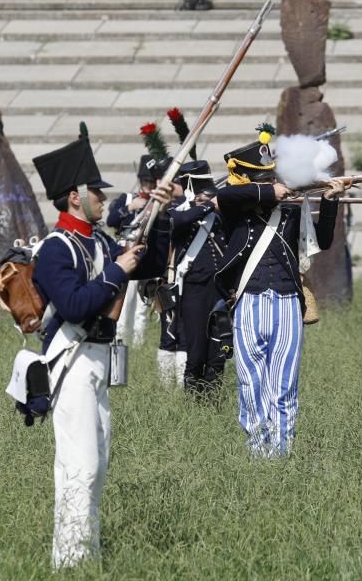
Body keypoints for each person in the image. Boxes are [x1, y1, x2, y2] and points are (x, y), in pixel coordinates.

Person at [30, 133, 172, 569]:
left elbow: (150, 260)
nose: (101, 196)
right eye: (94, 191)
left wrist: (161, 211)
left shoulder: (97, 240)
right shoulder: (55, 249)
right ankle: (69, 561)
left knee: (98, 466)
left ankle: (85, 556)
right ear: (74, 197)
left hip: (97, 362)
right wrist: (115, 270)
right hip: (70, 361)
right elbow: (73, 305)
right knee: (81, 465)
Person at [214, 129, 345, 457]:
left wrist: (331, 199)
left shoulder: (289, 207)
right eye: (263, 177)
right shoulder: (236, 207)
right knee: (250, 384)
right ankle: (258, 452)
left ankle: (281, 453)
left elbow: (324, 240)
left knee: (284, 387)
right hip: (248, 300)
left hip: (288, 301)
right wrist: (270, 191)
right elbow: (225, 198)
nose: (273, 179)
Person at [167, 160, 228, 397]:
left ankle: (212, 402)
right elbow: (179, 222)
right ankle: (194, 404)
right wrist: (207, 206)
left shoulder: (221, 211)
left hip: (220, 289)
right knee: (196, 353)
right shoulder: (179, 211)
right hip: (193, 290)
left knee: (219, 351)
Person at [105, 154, 167, 345]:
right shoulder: (127, 199)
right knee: (124, 305)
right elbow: (111, 220)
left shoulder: (159, 202)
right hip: (126, 256)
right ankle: (121, 340)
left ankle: (138, 343)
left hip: (147, 257)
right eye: (145, 181)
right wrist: (131, 207)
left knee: (141, 308)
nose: (148, 185)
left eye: (151, 181)